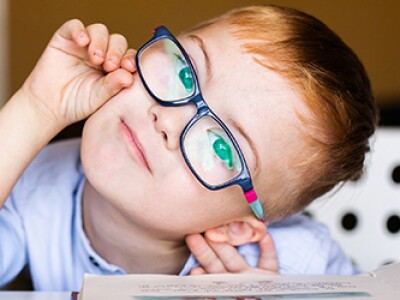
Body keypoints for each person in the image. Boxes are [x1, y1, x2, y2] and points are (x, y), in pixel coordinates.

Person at [0, 4, 377, 291]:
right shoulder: (34, 181)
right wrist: (35, 109)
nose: (168, 119)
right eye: (186, 72)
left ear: (234, 228)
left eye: (223, 146)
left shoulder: (298, 267)